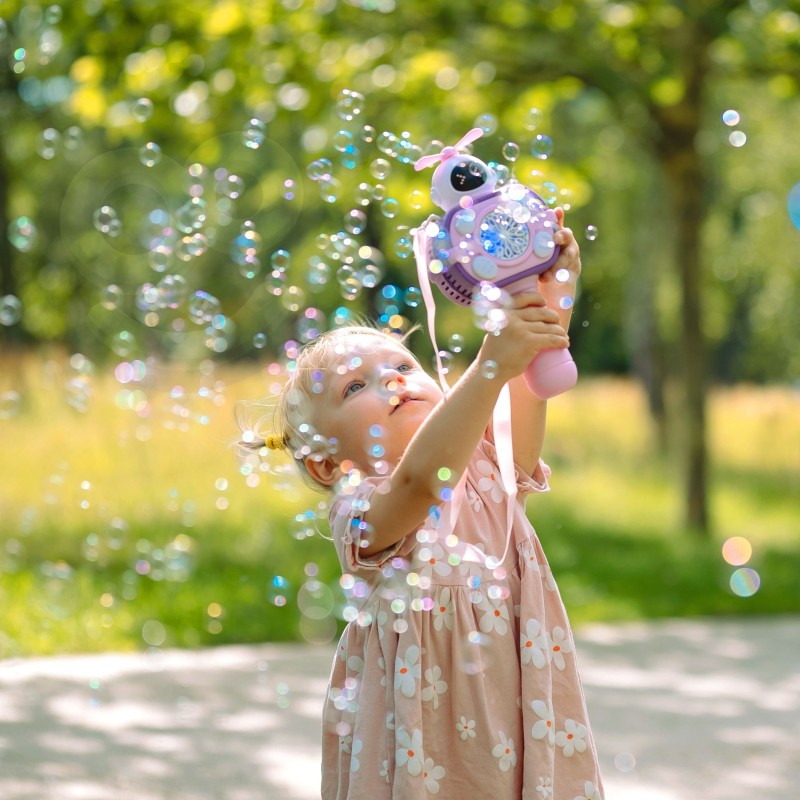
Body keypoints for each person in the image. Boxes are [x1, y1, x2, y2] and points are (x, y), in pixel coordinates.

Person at [243, 213, 604, 800]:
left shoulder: (485, 459)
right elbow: (418, 485)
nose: (392, 383)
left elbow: (526, 395)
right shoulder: (361, 507)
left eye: (403, 367)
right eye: (355, 388)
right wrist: (490, 364)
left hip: (516, 703)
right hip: (425, 738)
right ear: (326, 463)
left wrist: (545, 300)